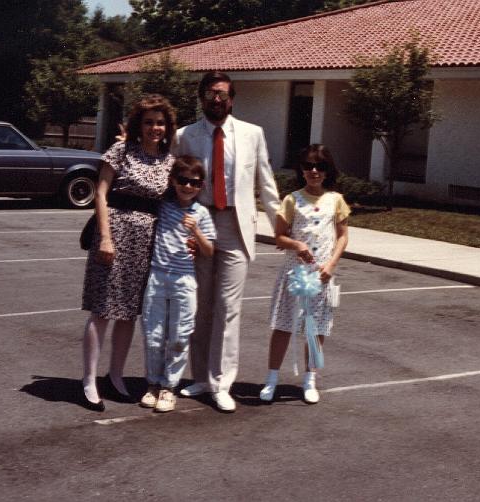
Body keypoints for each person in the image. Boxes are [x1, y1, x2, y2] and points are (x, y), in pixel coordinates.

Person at [173, 71, 280, 412]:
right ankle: (201, 376)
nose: (215, 99)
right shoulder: (185, 136)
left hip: (235, 224)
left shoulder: (252, 134)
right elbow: (171, 181)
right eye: (209, 93)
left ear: (231, 99)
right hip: (199, 224)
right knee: (200, 305)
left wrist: (281, 226)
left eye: (221, 93)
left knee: (228, 307)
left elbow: (266, 182)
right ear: (201, 97)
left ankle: (222, 383)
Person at [80, 94, 177, 412]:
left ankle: (116, 376)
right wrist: (105, 237)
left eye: (160, 122)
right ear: (139, 124)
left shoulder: (168, 160)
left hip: (146, 242)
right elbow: (101, 193)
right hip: (115, 234)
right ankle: (89, 380)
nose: (155, 128)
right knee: (103, 309)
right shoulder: (121, 150)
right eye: (149, 122)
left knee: (128, 312)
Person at [259, 144, 350, 404]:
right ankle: (272, 378)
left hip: (321, 275)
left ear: (327, 171)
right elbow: (279, 237)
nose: (314, 171)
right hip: (294, 274)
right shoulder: (292, 200)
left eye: (320, 166)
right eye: (309, 165)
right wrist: (297, 245)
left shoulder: (336, 200)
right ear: (301, 169)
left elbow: (343, 237)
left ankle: (310, 380)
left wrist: (330, 265)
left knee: (315, 327)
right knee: (283, 325)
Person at [139, 156, 216, 413]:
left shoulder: (201, 213)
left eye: (194, 183)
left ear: (201, 186)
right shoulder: (163, 205)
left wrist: (196, 232)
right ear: (173, 181)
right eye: (182, 181)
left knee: (180, 336)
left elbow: (209, 251)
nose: (187, 186)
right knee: (154, 335)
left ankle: (169, 387)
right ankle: (152, 383)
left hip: (184, 281)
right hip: (158, 276)